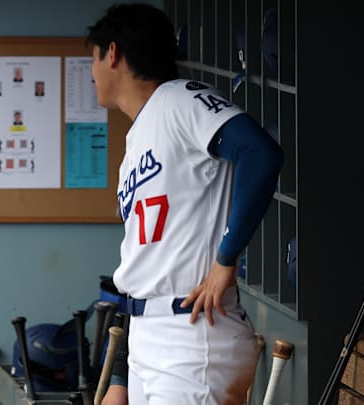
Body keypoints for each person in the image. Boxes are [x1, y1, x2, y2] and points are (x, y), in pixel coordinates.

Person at [87, 4, 283, 405]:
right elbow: (144, 263)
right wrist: (122, 376)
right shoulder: (140, 134)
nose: (91, 72)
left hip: (191, 337)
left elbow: (260, 153)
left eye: (92, 59)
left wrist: (226, 259)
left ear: (112, 53)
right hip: (148, 337)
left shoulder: (180, 99)